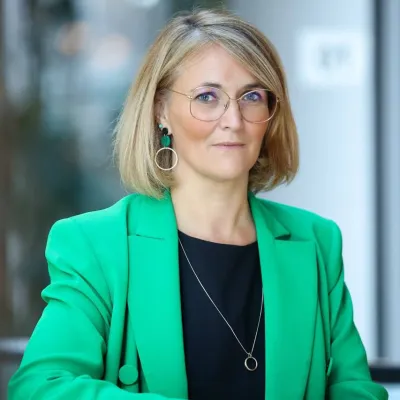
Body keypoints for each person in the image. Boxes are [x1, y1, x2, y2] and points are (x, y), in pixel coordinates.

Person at [8, 8, 388, 400]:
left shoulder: (317, 242)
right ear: (161, 111)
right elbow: (39, 387)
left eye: (252, 96)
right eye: (207, 97)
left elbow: (355, 389)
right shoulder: (96, 245)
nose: (234, 120)